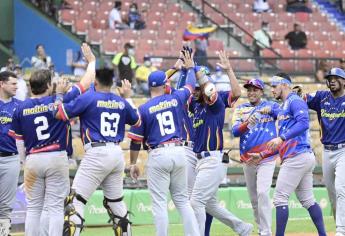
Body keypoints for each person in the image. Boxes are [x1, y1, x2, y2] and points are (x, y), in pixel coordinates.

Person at [8, 43, 95, 236]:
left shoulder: (20, 108)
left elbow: (19, 142)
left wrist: (24, 161)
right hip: (56, 156)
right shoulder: (59, 100)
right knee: (56, 207)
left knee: (33, 208)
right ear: (49, 85)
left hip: (32, 159)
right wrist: (91, 61)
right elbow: (86, 82)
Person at [128, 49, 200, 236]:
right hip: (179, 151)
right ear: (165, 84)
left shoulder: (143, 109)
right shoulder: (176, 98)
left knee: (160, 204)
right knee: (183, 202)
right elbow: (191, 85)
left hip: (158, 154)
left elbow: (135, 142)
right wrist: (190, 68)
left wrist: (133, 163)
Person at [54, 76, 139, 235]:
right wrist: (127, 98)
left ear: (96, 82)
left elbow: (59, 114)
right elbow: (137, 121)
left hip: (97, 152)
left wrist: (59, 94)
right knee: (116, 203)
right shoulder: (120, 101)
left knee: (75, 201)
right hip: (116, 153)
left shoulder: (89, 97)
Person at [249, 72, 326, 236]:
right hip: (302, 156)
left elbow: (304, 123)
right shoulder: (285, 106)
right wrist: (262, 155)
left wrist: (281, 137)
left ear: (284, 84)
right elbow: (283, 142)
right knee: (307, 200)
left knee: (279, 199)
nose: (272, 90)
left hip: (296, 157)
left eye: (274, 86)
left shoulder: (295, 101)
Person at [189, 51, 253, 236]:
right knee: (210, 204)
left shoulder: (214, 103)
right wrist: (185, 69)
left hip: (212, 159)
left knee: (196, 202)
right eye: (194, 89)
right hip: (201, 161)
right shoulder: (196, 105)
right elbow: (180, 92)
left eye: (198, 88)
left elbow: (237, 92)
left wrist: (229, 70)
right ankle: (242, 227)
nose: (195, 91)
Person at [232, 78, 278, 236]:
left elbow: (284, 114)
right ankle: (261, 229)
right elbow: (234, 131)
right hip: (248, 158)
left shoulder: (270, 105)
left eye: (255, 90)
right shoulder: (240, 109)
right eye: (249, 90)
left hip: (266, 157)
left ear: (261, 91)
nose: (251, 93)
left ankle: (266, 232)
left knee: (263, 193)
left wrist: (271, 111)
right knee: (253, 199)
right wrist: (246, 123)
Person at [304, 68, 345, 236]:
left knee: (341, 188)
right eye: (330, 78)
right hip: (326, 152)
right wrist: (297, 93)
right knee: (332, 194)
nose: (332, 80)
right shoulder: (321, 97)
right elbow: (302, 98)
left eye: (336, 78)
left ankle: (340, 231)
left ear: (344, 81)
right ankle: (341, 226)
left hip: (343, 150)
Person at [0, 71, 21, 236]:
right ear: (2, 84)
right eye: (13, 83)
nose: (17, 86)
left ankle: (4, 232)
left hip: (11, 159)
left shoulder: (20, 106)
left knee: (5, 205)